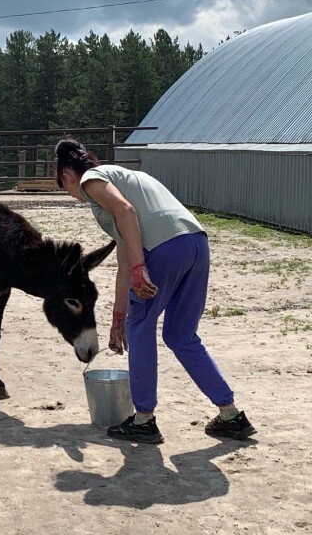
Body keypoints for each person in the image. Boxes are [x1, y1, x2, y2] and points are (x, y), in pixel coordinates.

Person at [55, 138, 256, 444]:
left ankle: (144, 419)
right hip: (195, 244)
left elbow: (126, 212)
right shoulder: (124, 178)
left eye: (64, 187)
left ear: (68, 175)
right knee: (180, 335)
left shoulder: (91, 180)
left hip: (162, 250)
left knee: (142, 328)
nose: (72, 194)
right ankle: (231, 415)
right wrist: (118, 317)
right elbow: (124, 254)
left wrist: (140, 268)